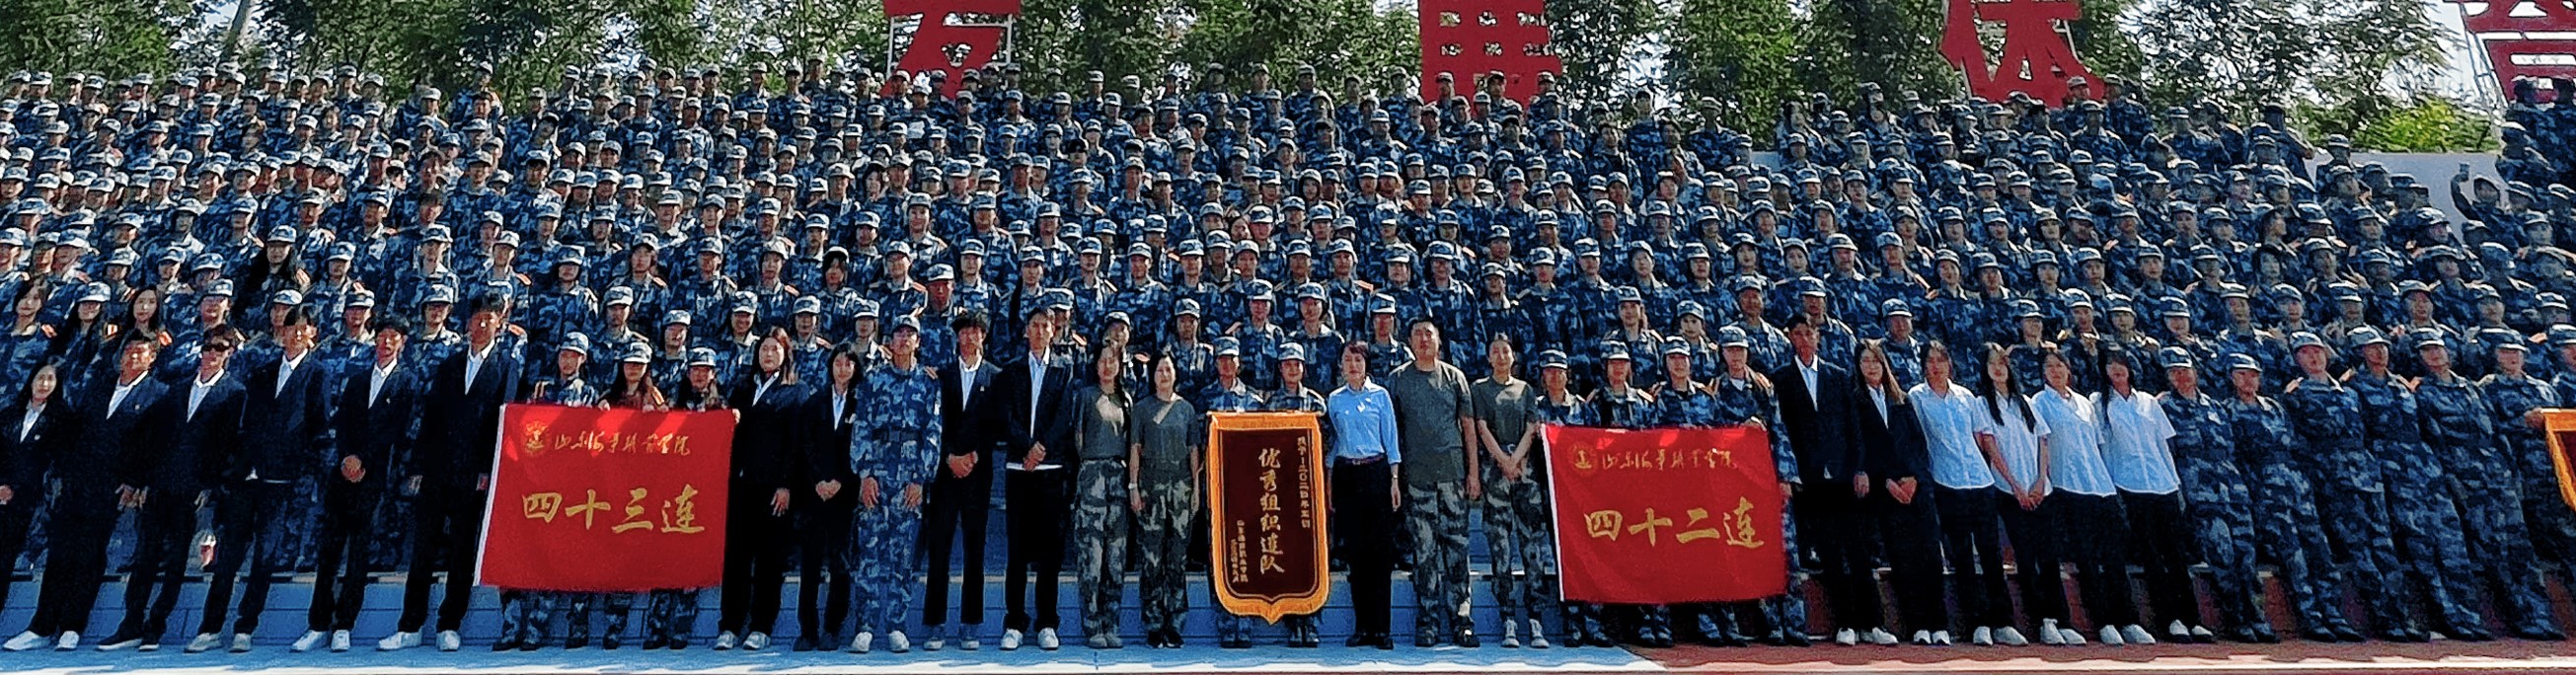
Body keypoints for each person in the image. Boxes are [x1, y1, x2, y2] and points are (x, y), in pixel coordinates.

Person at [385, 292, 524, 653]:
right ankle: (410, 625)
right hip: (437, 468)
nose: (482, 325)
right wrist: (418, 466)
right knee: (423, 548)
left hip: (473, 474)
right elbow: (431, 418)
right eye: (477, 318)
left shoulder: (507, 366)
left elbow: (503, 422)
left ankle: (450, 624)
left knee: (462, 549)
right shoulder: (450, 364)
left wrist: (488, 469)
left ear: (499, 324)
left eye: (489, 319)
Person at [4, 339, 162, 652]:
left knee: (89, 557)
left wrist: (134, 481)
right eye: (128, 350)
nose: (132, 356)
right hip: (76, 482)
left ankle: (72, 626)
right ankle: (41, 627)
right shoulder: (101, 385)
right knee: (59, 554)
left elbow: (153, 443)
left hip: (111, 487)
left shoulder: (156, 394)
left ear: (151, 359)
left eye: (140, 352)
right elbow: (75, 429)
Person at [99, 328, 237, 652]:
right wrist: (140, 480)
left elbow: (226, 445)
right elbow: (154, 440)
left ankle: (155, 627)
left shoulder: (234, 393)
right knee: (145, 556)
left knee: (176, 561)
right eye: (208, 347)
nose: (212, 354)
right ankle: (131, 624)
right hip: (161, 484)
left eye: (219, 349)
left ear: (229, 353)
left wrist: (210, 485)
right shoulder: (176, 390)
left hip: (193, 490)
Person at [2347, 329, 2488, 640]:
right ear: (2359, 353)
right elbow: (2361, 435)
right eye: (2371, 348)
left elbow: (2426, 428)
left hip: (2426, 468)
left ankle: (2468, 615)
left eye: (2383, 346)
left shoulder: (2405, 386)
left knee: (2451, 542)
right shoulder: (2354, 388)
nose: (2379, 352)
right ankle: (2446, 616)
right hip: (2391, 468)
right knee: (2421, 547)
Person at [2279, 331, 2414, 641]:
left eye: (2317, 351)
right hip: (2334, 480)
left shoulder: (2349, 392)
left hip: (2366, 475)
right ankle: (2384, 618)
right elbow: (2300, 442)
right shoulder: (2295, 395)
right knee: (2360, 551)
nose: (2314, 357)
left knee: (2384, 548)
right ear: (2296, 360)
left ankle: (2401, 614)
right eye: (2305, 353)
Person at [2222, 353, 2362, 642]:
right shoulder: (2228, 411)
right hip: (2266, 491)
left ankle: (2334, 615)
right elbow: (2236, 455)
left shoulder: (2274, 407)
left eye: (2253, 374)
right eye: (2241, 375)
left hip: (2296, 486)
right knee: (2293, 558)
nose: (2248, 380)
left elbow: (2294, 443)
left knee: (2320, 552)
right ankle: (2311, 618)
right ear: (2232, 379)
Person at [299, 319, 417, 653]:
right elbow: (344, 423)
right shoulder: (358, 379)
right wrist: (347, 457)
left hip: (375, 477)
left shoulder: (406, 382)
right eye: (381, 337)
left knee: (359, 554)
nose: (386, 343)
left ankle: (344, 625)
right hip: (344, 473)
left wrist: (363, 460)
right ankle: (317, 624)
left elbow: (395, 429)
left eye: (393, 337)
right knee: (329, 550)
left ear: (402, 342)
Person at [2030, 349, 2151, 645]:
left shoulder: (2085, 403)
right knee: (2086, 558)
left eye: (2060, 365)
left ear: (2069, 369)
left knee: (2114, 557)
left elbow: (2098, 443)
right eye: (2049, 366)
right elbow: (2041, 444)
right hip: (2068, 486)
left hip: (2100, 485)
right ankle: (2104, 621)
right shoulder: (2039, 402)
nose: (2056, 371)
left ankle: (2128, 620)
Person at [2156, 347, 2272, 643]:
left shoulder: (2216, 407)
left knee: (2247, 557)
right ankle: (2237, 620)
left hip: (2233, 490)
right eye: (2175, 372)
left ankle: (2257, 617)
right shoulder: (2164, 407)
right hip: (2201, 492)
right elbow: (2168, 451)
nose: (2182, 376)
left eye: (2186, 370)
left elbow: (2233, 447)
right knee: (2223, 557)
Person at [1383, 317, 1478, 648]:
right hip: (1417, 479)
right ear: (1409, 341)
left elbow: (1468, 427)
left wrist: (1473, 472)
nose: (1423, 339)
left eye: (1428, 333)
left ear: (1439, 340)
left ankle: (1462, 620)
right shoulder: (1398, 379)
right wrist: (1395, 477)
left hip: (1452, 476)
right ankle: (1427, 621)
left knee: (1457, 550)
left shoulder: (1454, 377)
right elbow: (1392, 432)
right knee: (1424, 553)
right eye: (1417, 334)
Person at [2099, 350, 2207, 643]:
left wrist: (2175, 483)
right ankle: (2170, 619)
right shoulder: (2100, 403)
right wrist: (2112, 488)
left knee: (2176, 554)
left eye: (2122, 364)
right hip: (2129, 485)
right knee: (2151, 555)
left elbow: (2163, 445)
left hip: (2163, 484)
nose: (2117, 370)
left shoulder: (2148, 401)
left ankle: (2193, 619)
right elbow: (2104, 448)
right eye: (2111, 365)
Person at [1770, 314, 1862, 645]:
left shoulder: (1838, 376)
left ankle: (1871, 622)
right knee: (1828, 551)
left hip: (1842, 474)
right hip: (1807, 478)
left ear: (1818, 336)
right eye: (1798, 334)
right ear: (1790, 338)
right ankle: (1846, 623)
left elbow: (1853, 426)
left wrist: (1859, 468)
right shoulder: (1780, 379)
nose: (1805, 339)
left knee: (1856, 548)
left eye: (1809, 333)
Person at [850, 316, 940, 654]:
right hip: (877, 470)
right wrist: (865, 473)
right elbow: (861, 426)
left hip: (909, 475)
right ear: (889, 341)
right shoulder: (874, 380)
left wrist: (920, 478)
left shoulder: (928, 383)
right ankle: (866, 625)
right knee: (869, 552)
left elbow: (933, 431)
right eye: (898, 333)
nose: (904, 339)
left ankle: (896, 624)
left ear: (918, 342)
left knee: (903, 554)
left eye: (910, 334)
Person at [2471, 340, 2572, 640]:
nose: (2512, 357)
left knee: (2570, 547)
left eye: (2517, 352)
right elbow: (2482, 430)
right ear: (2494, 356)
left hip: (2552, 481)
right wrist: (2521, 422)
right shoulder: (2485, 389)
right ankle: (2531, 618)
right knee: (2516, 550)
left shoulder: (2544, 389)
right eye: (2505, 352)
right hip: (2509, 480)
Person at [713, 328, 804, 651]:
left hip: (774, 488)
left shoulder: (796, 391)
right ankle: (730, 625)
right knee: (736, 557)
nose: (768, 354)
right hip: (741, 484)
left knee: (769, 559)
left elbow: (795, 444)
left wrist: (786, 484)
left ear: (785, 354)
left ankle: (762, 626)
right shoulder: (742, 388)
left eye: (775, 349)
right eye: (764, 348)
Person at [1854, 339, 1944, 645]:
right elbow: (1862, 447)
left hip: (1917, 487)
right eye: (1865, 361)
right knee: (1903, 559)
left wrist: (1914, 478)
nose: (1871, 367)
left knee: (1930, 555)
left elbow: (1918, 443)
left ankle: (1939, 623)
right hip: (1886, 491)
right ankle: (1917, 624)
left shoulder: (1902, 399)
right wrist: (1886, 481)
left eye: (1875, 361)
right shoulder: (1856, 401)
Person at [998, 310, 1076, 651]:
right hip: (1019, 469)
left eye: (1046, 326)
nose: (1041, 331)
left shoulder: (1064, 369)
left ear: (1053, 332)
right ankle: (1014, 623)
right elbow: (1007, 417)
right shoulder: (1011, 370)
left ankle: (1047, 622)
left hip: (1050, 470)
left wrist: (1041, 449)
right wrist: (1027, 448)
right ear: (1026, 331)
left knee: (1049, 552)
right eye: (1035, 326)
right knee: (1016, 550)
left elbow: (1064, 416)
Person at [923, 310, 1000, 651]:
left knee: (974, 548)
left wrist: (974, 456)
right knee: (939, 547)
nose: (969, 337)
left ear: (984, 336)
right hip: (945, 472)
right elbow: (933, 423)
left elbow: (996, 424)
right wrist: (949, 457)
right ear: (956, 337)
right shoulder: (940, 375)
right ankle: (935, 624)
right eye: (963, 332)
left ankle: (970, 623)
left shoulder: (995, 377)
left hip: (977, 472)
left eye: (975, 331)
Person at [1472, 335, 1553, 649]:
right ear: (1488, 357)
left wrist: (1515, 460)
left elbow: (1531, 429)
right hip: (1495, 473)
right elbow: (1482, 428)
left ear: (1513, 356)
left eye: (1505, 351)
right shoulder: (1481, 389)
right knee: (1500, 548)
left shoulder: (1525, 389)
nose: (1501, 356)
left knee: (1532, 548)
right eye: (1495, 352)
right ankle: (1507, 617)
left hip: (1524, 473)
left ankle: (1535, 618)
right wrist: (1503, 461)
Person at [1326, 341, 1401, 650]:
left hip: (1376, 472)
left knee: (1380, 556)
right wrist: (1330, 485)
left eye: (1358, 359)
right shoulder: (1334, 399)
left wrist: (1394, 480)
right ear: (1341, 366)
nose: (1353, 365)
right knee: (1356, 556)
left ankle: (1382, 629)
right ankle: (1362, 627)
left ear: (1366, 364)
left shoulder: (1380, 396)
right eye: (1348, 360)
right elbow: (1333, 446)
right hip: (1348, 475)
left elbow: (1391, 440)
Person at [793, 343, 867, 651]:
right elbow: (804, 446)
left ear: (855, 368)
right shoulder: (815, 402)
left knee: (840, 562)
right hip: (815, 493)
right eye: (838, 363)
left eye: (848, 363)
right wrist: (818, 481)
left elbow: (861, 446)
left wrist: (841, 481)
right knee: (810, 563)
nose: (842, 368)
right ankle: (807, 630)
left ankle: (832, 628)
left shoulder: (862, 403)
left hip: (844, 494)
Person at [1130, 352, 1202, 648]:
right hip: (1151, 488)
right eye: (1159, 369)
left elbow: (1194, 451)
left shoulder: (1186, 409)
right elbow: (1135, 449)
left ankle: (1175, 623)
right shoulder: (1142, 409)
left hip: (1181, 488)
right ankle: (1153, 622)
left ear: (1175, 374)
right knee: (1152, 558)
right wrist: (1133, 487)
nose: (1164, 374)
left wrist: (1196, 489)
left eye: (1168, 369)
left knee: (1177, 558)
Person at [1071, 341, 1132, 649]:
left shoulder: (1125, 399)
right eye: (1102, 360)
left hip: (1118, 480)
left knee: (1115, 557)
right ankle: (1092, 624)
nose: (1108, 366)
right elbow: (1077, 439)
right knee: (1091, 556)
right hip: (1092, 477)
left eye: (1113, 360)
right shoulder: (1085, 396)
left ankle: (1112, 622)